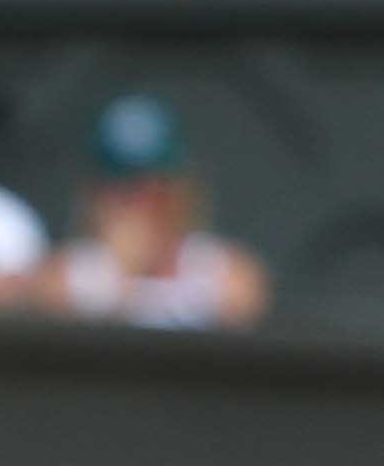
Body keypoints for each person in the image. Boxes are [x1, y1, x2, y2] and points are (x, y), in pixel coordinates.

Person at [44, 92, 269, 329]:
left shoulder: (221, 271)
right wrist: (121, 271)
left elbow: (245, 303)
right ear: (94, 194)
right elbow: (49, 304)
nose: (140, 204)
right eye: (123, 189)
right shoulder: (67, 275)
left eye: (155, 188)